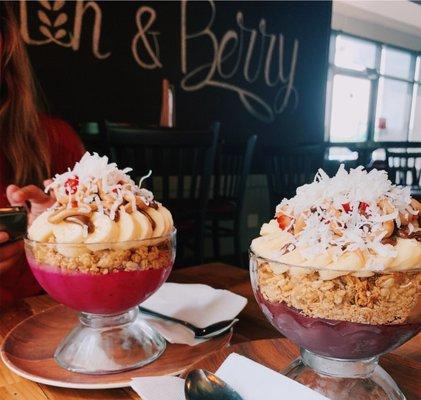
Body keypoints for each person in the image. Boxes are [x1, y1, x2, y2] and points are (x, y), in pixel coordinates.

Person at [0, 3, 84, 308]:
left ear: (6, 43)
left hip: (42, 315)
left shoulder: (56, 140)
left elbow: (102, 262)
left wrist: (61, 235)